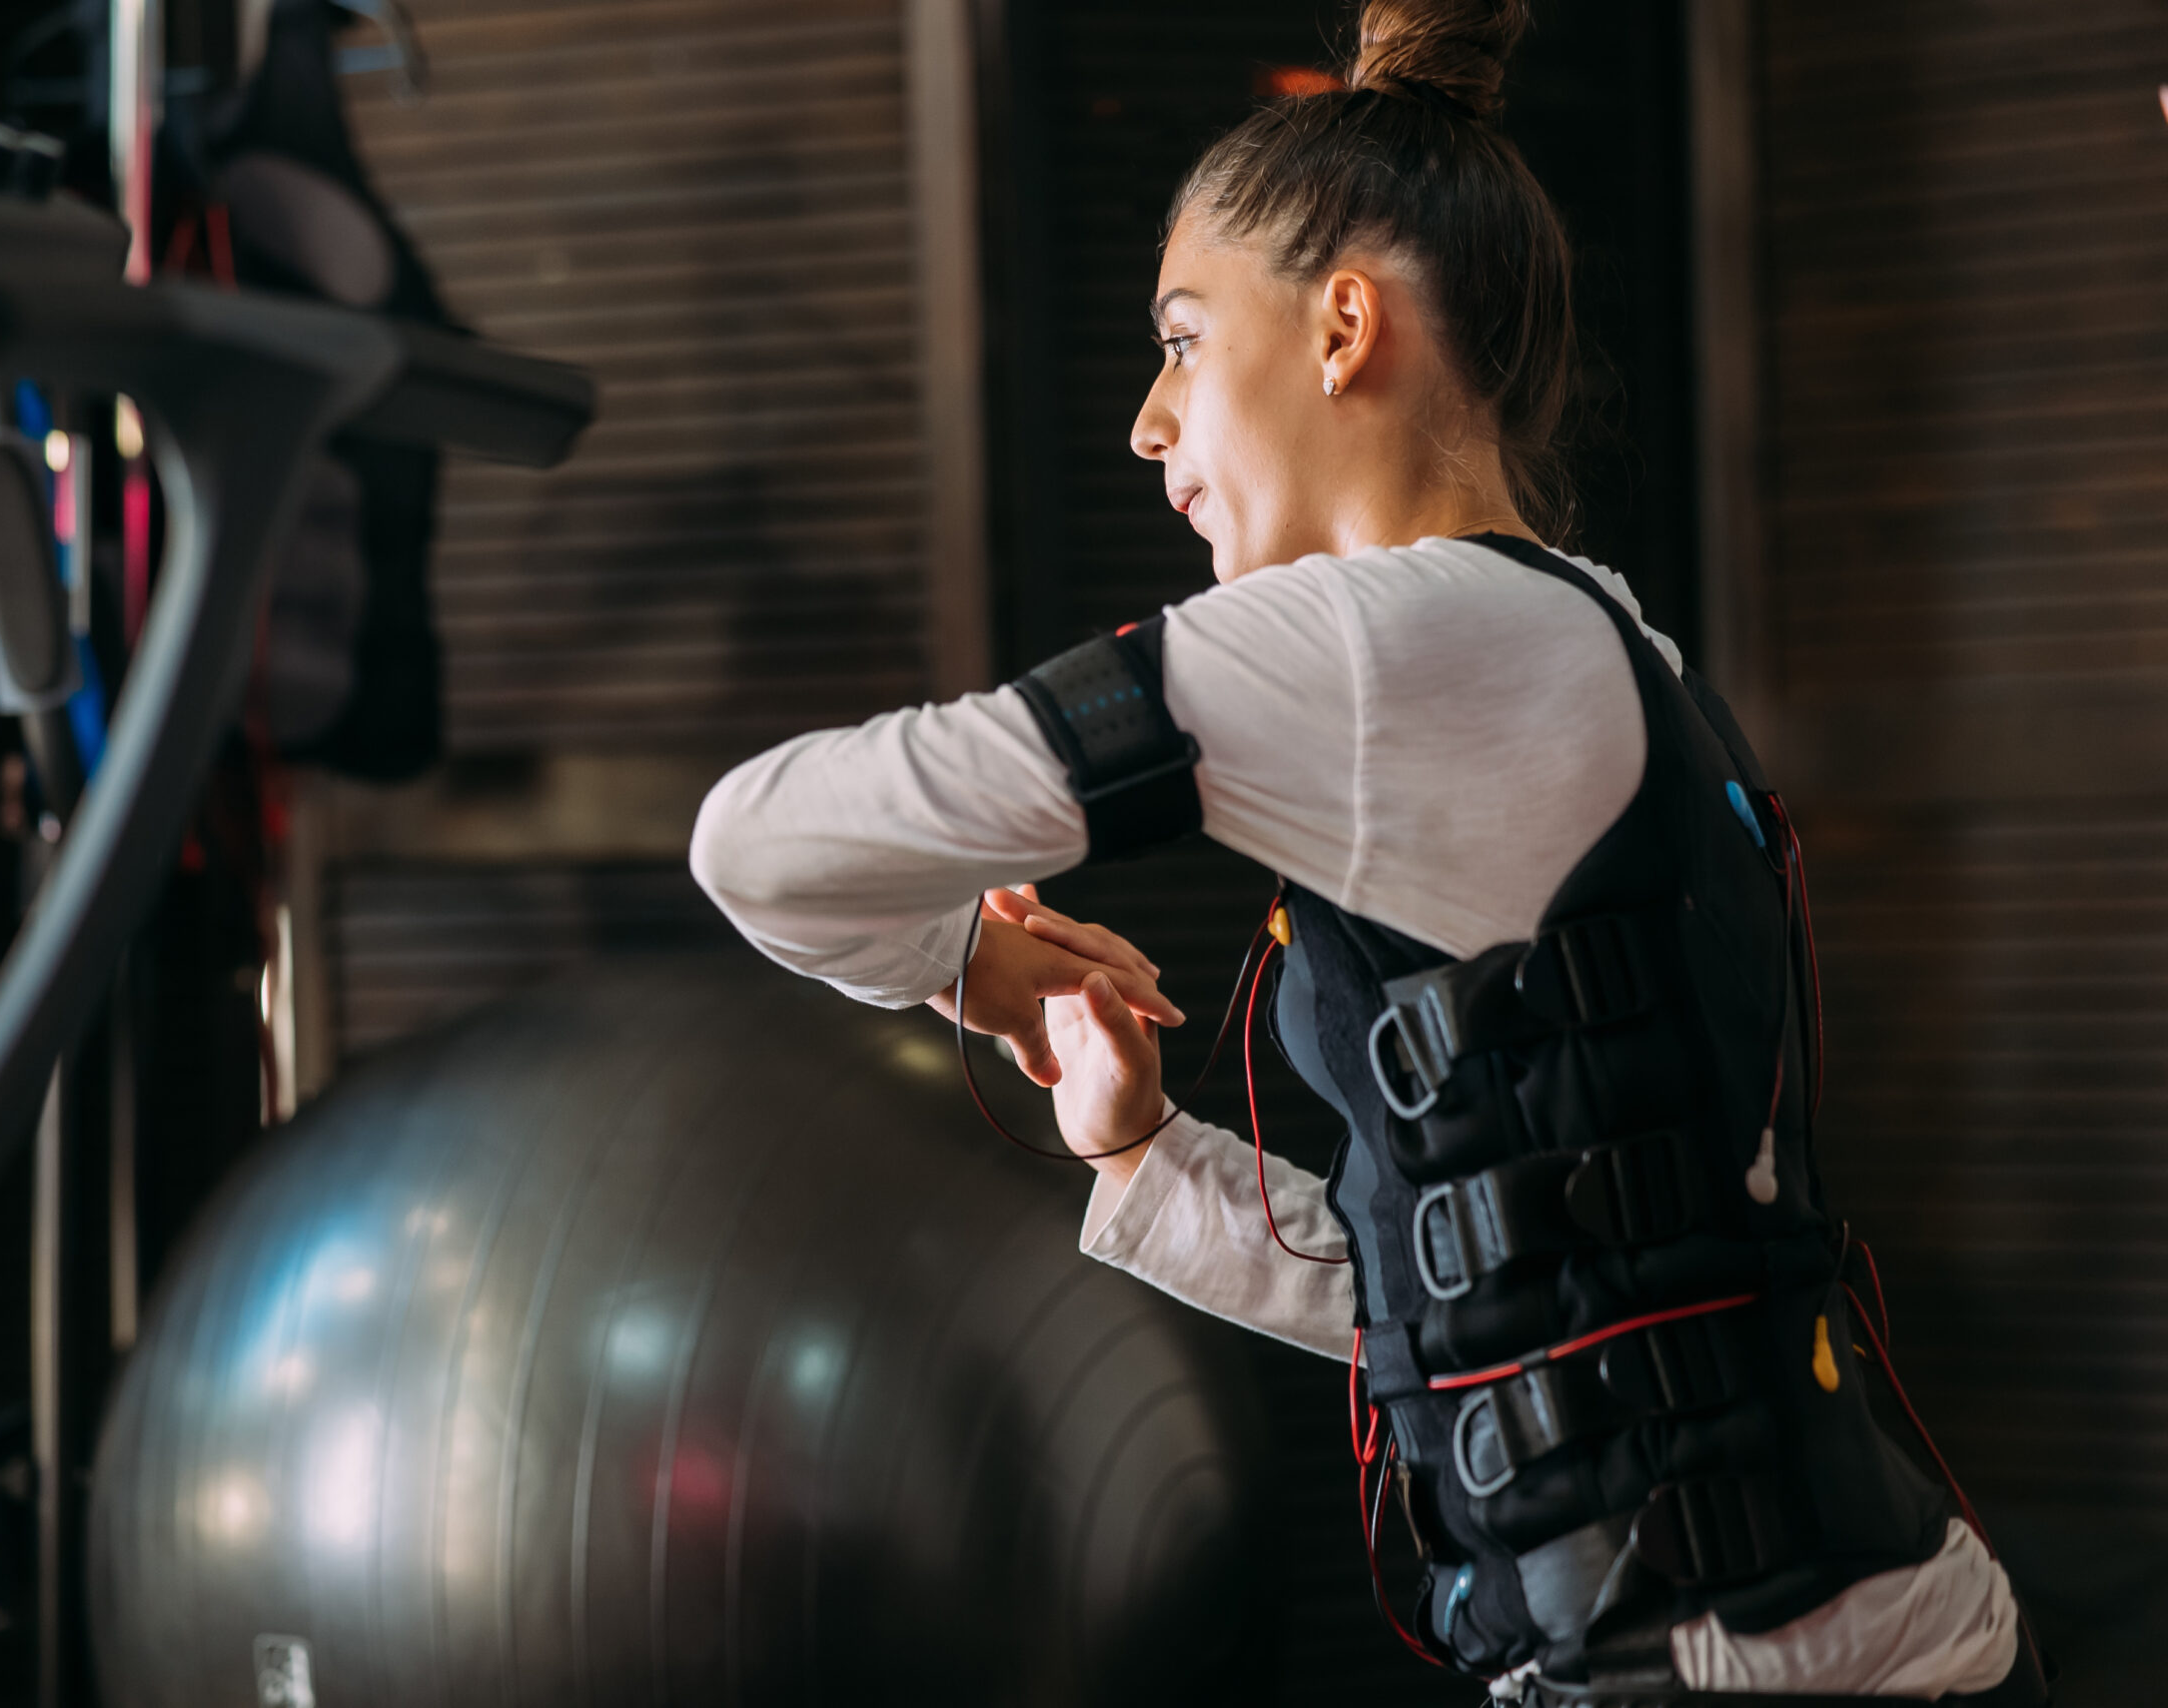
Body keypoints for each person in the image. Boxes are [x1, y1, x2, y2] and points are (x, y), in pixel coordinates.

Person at [688, 2, 2039, 1701]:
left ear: (1343, 326)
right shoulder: (1592, 631)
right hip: (1837, 1636)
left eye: (1184, 340)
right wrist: (1140, 1155)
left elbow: (758, 841)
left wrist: (973, 961)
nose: (1146, 424)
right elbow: (1510, 1277)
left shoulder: (1372, 643)